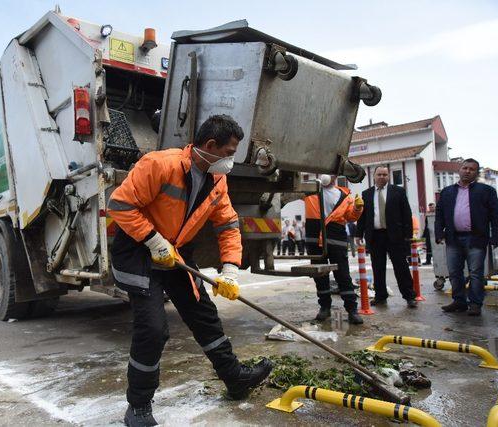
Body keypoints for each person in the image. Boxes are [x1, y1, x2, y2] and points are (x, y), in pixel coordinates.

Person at [107, 115, 273, 426]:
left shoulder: (217, 178)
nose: (231, 160)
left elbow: (227, 224)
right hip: (138, 252)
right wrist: (153, 240)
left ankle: (234, 377)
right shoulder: (159, 165)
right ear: (210, 146)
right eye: (229, 152)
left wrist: (229, 271)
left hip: (176, 253)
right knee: (153, 329)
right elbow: (120, 205)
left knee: (203, 314)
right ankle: (138, 406)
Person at [436, 158, 498, 316]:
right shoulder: (447, 192)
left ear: (476, 173)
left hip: (476, 239)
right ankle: (459, 301)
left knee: (475, 273)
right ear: (459, 170)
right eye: (465, 168)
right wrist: (439, 233)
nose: (467, 171)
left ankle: (475, 304)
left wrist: (496, 238)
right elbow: (439, 215)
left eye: (471, 169)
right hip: (453, 239)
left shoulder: (486, 191)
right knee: (454, 272)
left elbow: (496, 217)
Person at [305, 174, 364, 324]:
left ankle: (352, 310)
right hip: (314, 240)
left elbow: (351, 217)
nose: (327, 176)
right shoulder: (310, 191)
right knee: (320, 276)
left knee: (343, 275)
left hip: (336, 239)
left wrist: (357, 208)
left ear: (335, 176)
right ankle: (325, 308)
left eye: (331, 173)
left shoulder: (345, 195)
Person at [355, 166, 418, 308]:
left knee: (401, 266)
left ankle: (409, 296)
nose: (382, 177)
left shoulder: (398, 192)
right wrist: (359, 233)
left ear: (388, 176)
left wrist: (408, 235)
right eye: (379, 174)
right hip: (375, 236)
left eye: (385, 174)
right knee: (378, 267)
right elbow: (363, 216)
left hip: (395, 236)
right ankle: (380, 296)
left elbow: (406, 214)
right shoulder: (367, 194)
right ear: (374, 176)